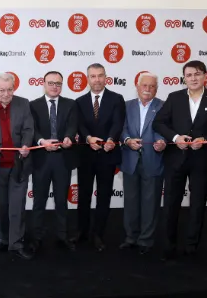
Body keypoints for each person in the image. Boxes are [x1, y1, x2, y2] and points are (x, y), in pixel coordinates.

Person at [153, 60, 207, 260]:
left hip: (202, 160)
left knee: (197, 205)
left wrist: (206, 140)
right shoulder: (174, 97)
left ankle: (191, 246)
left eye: (197, 74)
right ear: (184, 78)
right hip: (175, 159)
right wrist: (175, 138)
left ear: (205, 76)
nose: (193, 78)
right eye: (189, 75)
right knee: (170, 203)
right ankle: (168, 246)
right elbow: (158, 123)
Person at [0, 72, 34, 259]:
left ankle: (16, 243)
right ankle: (4, 238)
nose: (6, 94)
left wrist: (26, 145)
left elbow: (28, 129)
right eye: (2, 90)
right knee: (1, 206)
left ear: (14, 88)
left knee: (17, 207)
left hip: (19, 164)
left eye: (9, 90)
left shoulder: (23, 103)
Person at [74, 63, 125, 251]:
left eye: (100, 75)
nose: (97, 79)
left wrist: (110, 139)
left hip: (107, 155)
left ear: (105, 77)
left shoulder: (117, 99)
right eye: (93, 76)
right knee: (84, 196)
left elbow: (118, 123)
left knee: (104, 197)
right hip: (85, 156)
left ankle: (98, 234)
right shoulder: (79, 101)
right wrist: (88, 138)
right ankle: (82, 231)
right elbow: (79, 125)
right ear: (88, 79)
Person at [29, 70, 79, 253]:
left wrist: (68, 138)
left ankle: (62, 236)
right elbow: (32, 129)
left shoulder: (70, 104)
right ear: (43, 84)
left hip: (62, 158)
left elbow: (73, 125)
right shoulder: (33, 105)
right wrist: (42, 141)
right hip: (41, 158)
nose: (54, 86)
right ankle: (36, 238)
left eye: (58, 83)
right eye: (51, 83)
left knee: (61, 201)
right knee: (39, 201)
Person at [120, 73, 165, 254]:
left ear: (156, 89)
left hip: (153, 160)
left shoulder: (164, 106)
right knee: (130, 202)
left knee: (150, 203)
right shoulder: (126, 106)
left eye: (152, 86)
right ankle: (131, 237)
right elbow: (121, 129)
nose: (147, 89)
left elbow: (166, 129)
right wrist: (127, 140)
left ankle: (146, 240)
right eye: (144, 85)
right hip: (130, 160)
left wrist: (162, 141)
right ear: (137, 87)